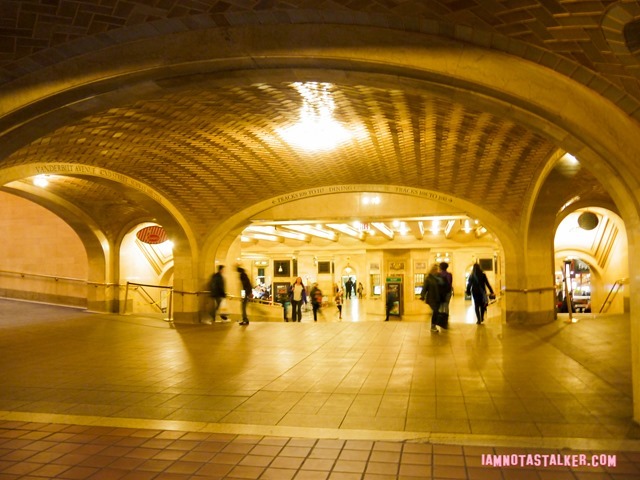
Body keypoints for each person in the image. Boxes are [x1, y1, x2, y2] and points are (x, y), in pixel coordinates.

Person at [421, 264, 445, 331]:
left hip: (438, 297)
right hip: (431, 298)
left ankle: (434, 325)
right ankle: (433, 326)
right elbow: (425, 288)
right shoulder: (428, 278)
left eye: (437, 270)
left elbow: (443, 286)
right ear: (432, 270)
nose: (436, 271)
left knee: (436, 312)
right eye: (435, 270)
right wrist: (422, 295)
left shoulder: (439, 278)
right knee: (435, 311)